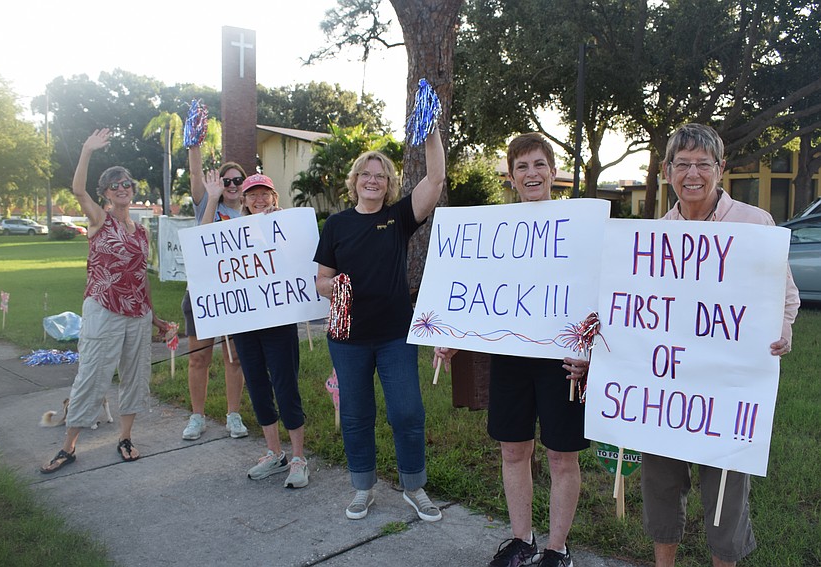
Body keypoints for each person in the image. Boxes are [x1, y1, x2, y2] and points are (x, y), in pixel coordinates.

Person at [640, 123, 799, 567]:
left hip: (728, 390)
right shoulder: (657, 236)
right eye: (682, 164)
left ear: (720, 169)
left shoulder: (755, 223)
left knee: (726, 488)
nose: (693, 174)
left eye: (703, 164)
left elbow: (784, 295)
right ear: (667, 171)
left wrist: (783, 330)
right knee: (661, 481)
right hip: (667, 386)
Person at [434, 132, 590, 567]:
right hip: (511, 356)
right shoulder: (493, 232)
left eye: (539, 164)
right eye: (522, 167)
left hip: (564, 362)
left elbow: (598, 293)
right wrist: (450, 335)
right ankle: (522, 541)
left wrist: (590, 351)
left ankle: (557, 549)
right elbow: (474, 292)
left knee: (561, 455)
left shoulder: (579, 225)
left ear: (554, 172)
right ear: (511, 176)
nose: (531, 173)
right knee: (513, 449)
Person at [314, 127, 445, 522]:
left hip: (395, 336)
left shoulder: (399, 217)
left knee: (407, 412)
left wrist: (430, 130)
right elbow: (321, 279)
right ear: (354, 182)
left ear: (388, 184)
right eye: (366, 174)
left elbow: (436, 178)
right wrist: (334, 286)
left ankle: (414, 487)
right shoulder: (336, 225)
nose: (373, 180)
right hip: (347, 337)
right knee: (356, 415)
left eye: (381, 175)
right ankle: (362, 488)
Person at [41, 128, 170, 473]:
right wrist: (86, 149)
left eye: (127, 183)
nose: (122, 188)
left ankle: (125, 437)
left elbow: (141, 278)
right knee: (92, 376)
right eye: (115, 185)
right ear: (106, 194)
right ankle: (68, 446)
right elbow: (77, 189)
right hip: (103, 311)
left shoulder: (141, 232)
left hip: (138, 315)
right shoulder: (100, 220)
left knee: (135, 376)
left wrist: (155, 318)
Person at [201, 171, 309, 489]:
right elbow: (203, 241)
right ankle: (275, 453)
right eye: (252, 195)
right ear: (244, 201)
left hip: (278, 322)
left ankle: (299, 457)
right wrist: (210, 198)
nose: (259, 199)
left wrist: (280, 226)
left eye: (265, 194)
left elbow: (301, 258)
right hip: (245, 323)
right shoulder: (233, 230)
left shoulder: (286, 225)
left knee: (286, 387)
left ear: (274, 197)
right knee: (258, 388)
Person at [180, 145, 248, 441]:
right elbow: (201, 235)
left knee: (234, 359)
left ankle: (233, 415)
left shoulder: (250, 214)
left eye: (237, 181)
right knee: (199, 358)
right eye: (226, 181)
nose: (232, 185)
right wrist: (194, 144)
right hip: (202, 295)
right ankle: (198, 416)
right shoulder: (208, 203)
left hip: (236, 298)